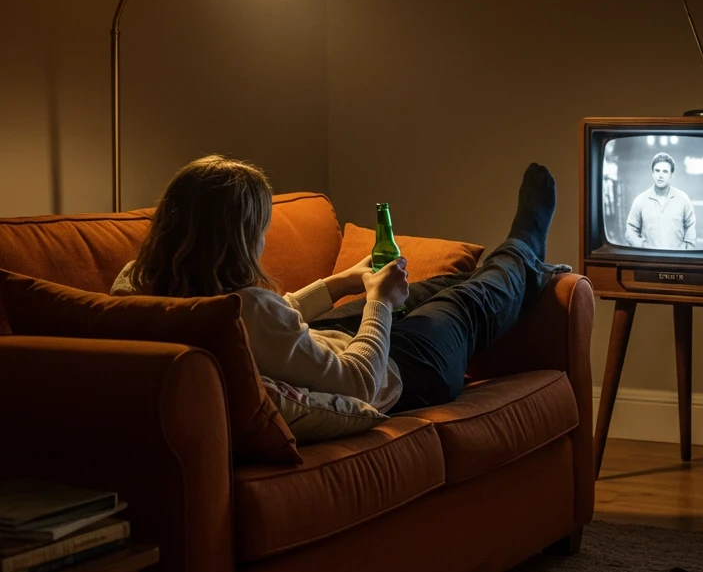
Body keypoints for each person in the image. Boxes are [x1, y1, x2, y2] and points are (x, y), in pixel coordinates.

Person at [110, 154, 563, 413]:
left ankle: (522, 272)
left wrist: (341, 282)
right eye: (260, 230)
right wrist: (378, 302)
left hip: (329, 345)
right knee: (469, 302)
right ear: (237, 238)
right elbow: (359, 382)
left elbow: (260, 328)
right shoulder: (248, 308)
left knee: (440, 285)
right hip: (401, 375)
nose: (264, 240)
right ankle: (526, 243)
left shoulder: (134, 285)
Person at [625, 152, 696, 250]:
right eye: (657, 171)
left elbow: (690, 226)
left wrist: (686, 251)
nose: (660, 175)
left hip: (677, 261)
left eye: (665, 171)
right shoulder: (640, 200)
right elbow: (630, 230)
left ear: (671, 175)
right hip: (648, 261)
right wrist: (641, 248)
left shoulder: (683, 199)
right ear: (653, 174)